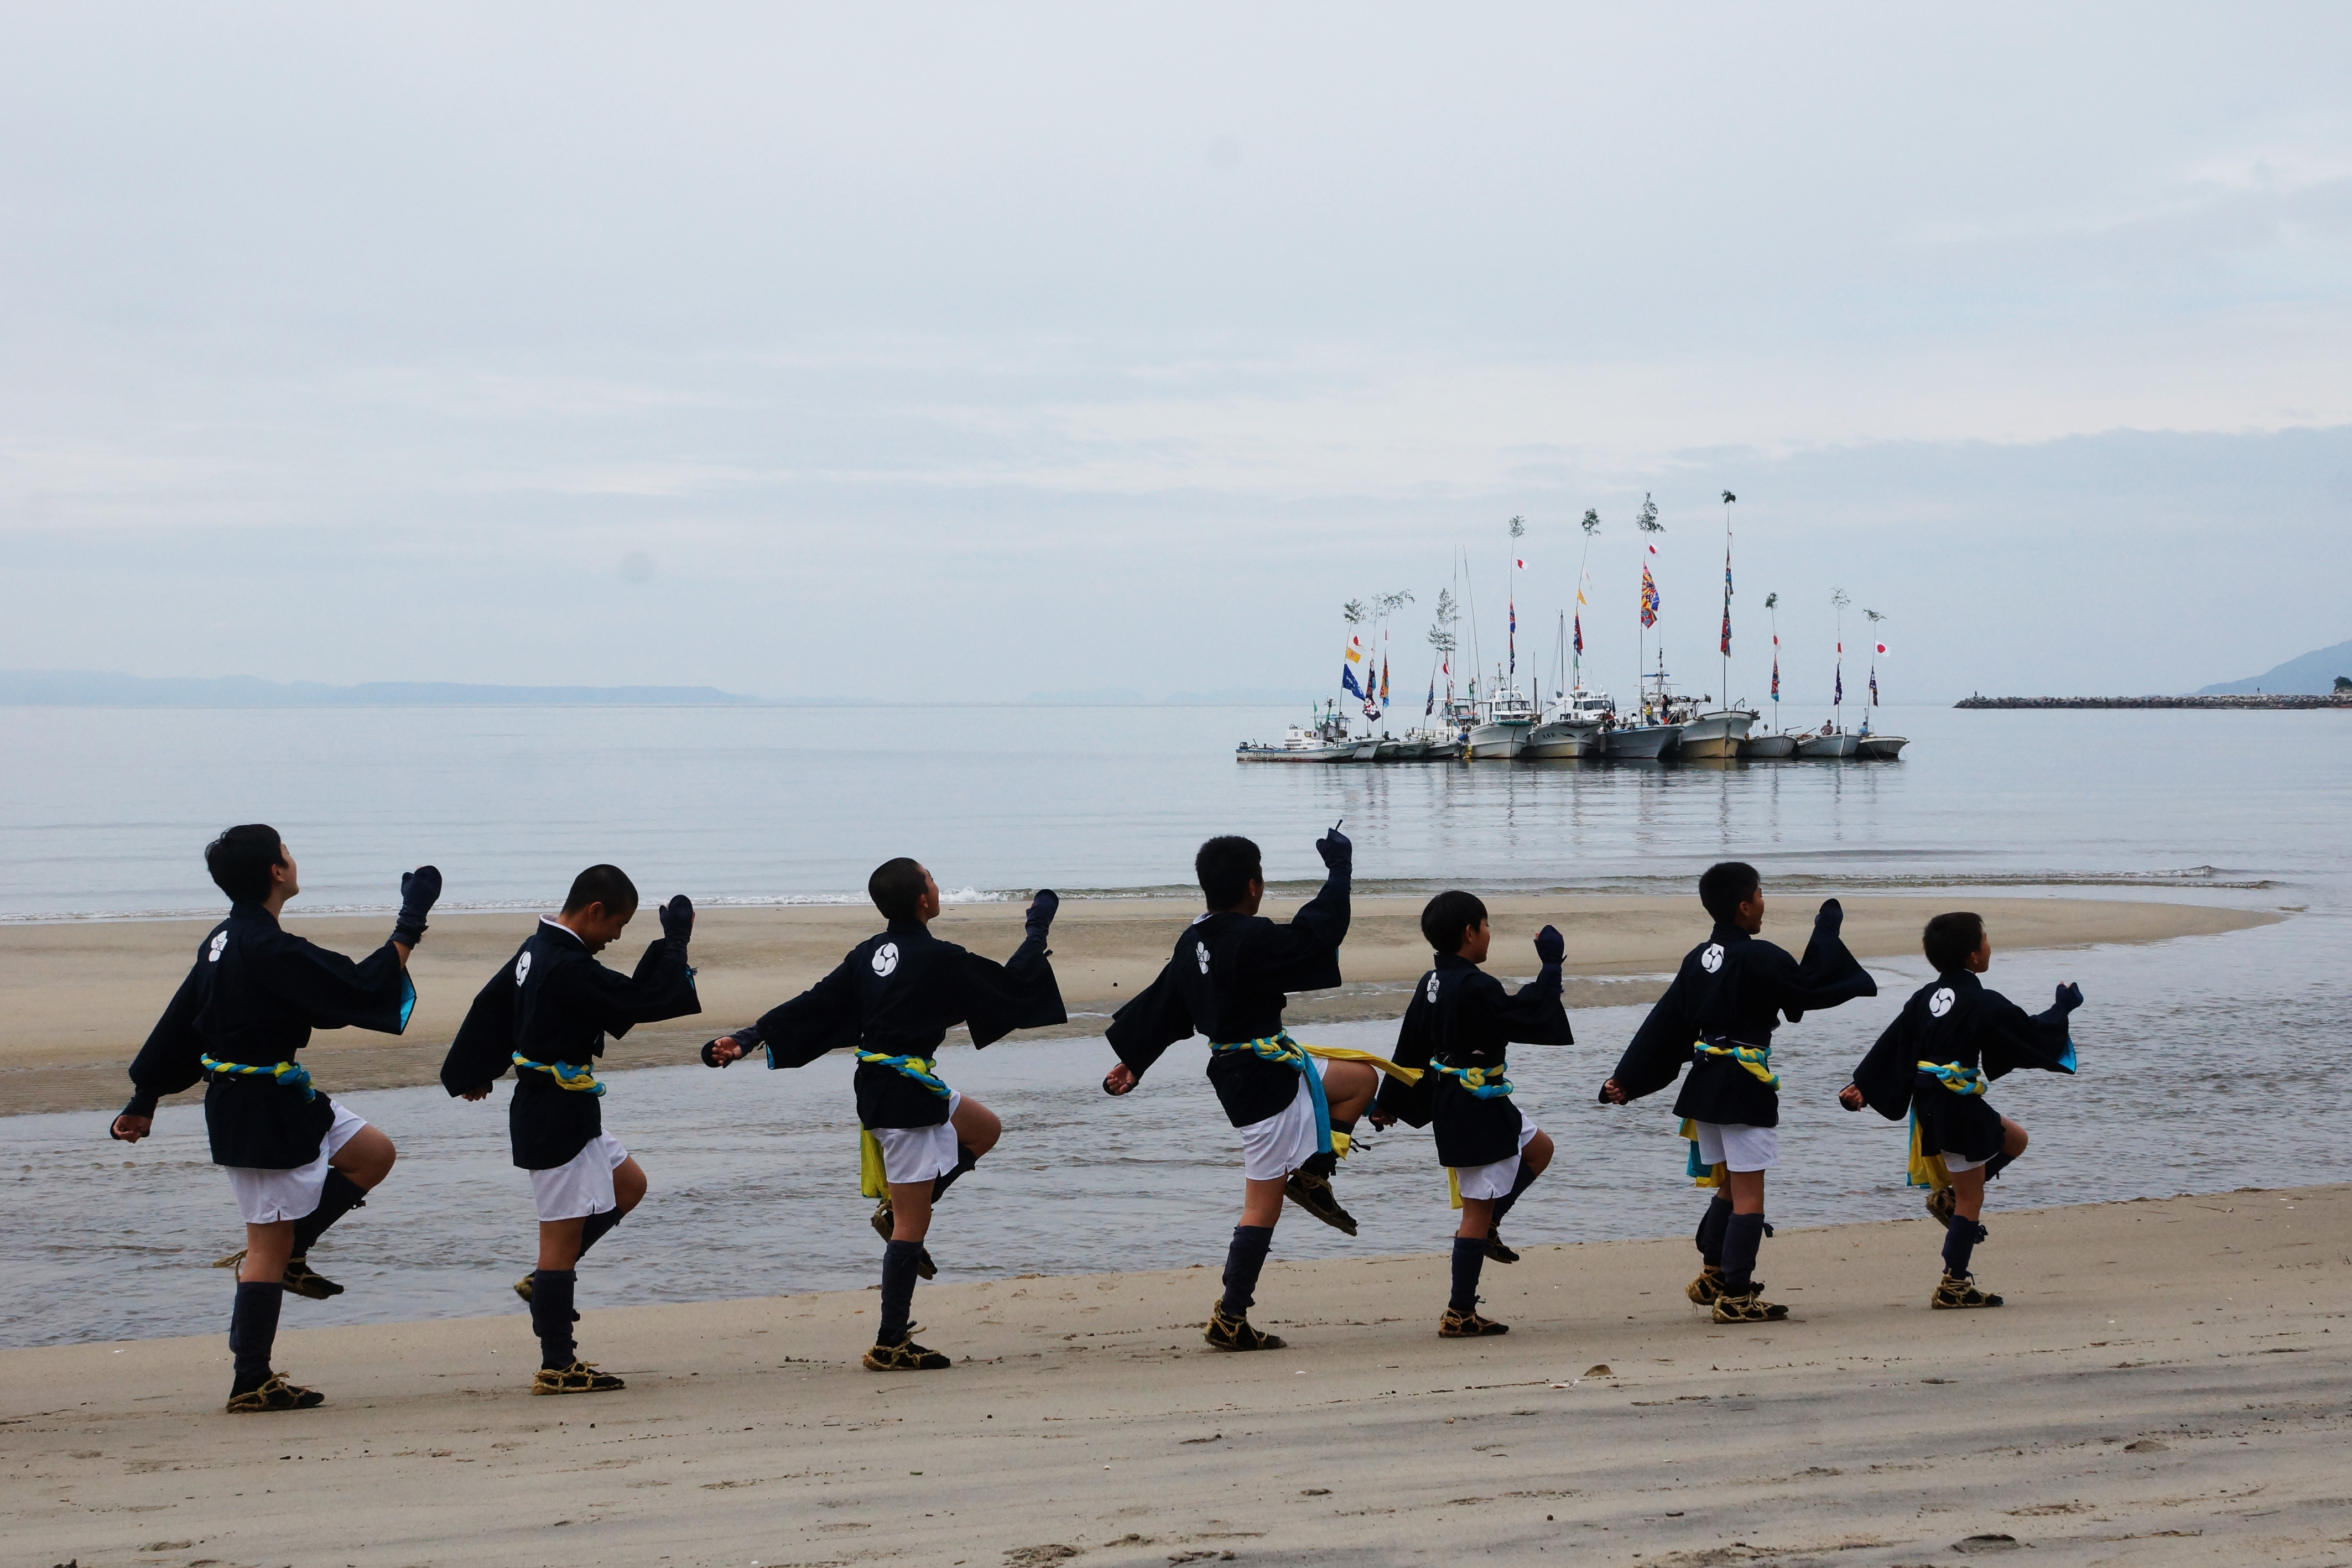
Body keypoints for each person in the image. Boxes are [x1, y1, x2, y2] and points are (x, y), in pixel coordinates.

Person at [111, 825, 440, 1413]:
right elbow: (361, 985)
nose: (293, 858)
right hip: (255, 1109)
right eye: (287, 851)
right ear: (276, 873)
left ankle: (294, 1250)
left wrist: (145, 1095)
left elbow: (186, 1015)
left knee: (373, 1153)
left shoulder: (227, 938)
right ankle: (251, 1380)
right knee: (263, 1245)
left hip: (283, 1093)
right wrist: (412, 916)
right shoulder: (265, 948)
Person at [703, 859, 1063, 1372]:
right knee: (914, 1226)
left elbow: (814, 1004)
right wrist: (1037, 928)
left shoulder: (869, 954)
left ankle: (897, 1212)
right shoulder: (940, 957)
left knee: (985, 1130)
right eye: (933, 879)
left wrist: (750, 1035)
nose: (937, 885)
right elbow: (1009, 986)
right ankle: (891, 1341)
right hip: (904, 1099)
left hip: (892, 1086)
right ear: (923, 900)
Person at [1105, 827, 1379, 1352]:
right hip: (1261, 1082)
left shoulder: (1195, 939)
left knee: (1361, 1078)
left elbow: (1167, 1002)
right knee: (1261, 1205)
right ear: (1254, 886)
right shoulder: (1249, 938)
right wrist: (1340, 872)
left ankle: (1315, 1175)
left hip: (1260, 1070)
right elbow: (1313, 935)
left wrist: (1133, 1061)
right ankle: (1230, 1317)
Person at [440, 865, 701, 1394]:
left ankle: (545, 1286)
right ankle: (558, 1362)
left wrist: (471, 1070)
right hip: (552, 1115)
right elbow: (637, 1003)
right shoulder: (565, 964)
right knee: (557, 1243)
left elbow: (492, 1007)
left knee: (629, 1186)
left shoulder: (538, 947)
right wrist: (674, 945)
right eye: (617, 926)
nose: (616, 938)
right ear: (594, 911)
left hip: (563, 1107)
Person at [1598, 862, 1876, 1325]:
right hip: (1743, 1083)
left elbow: (1667, 1021)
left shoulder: (1697, 958)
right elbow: (1808, 988)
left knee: (1730, 1185)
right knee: (1749, 1194)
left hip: (1704, 1085)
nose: (1764, 903)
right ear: (1745, 905)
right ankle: (1737, 1294)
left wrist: (1626, 1078)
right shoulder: (1761, 956)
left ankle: (1713, 1273)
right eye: (1762, 895)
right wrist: (1827, 931)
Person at [1840, 911, 2081, 1309]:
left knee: (2016, 1139)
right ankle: (1954, 1284)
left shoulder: (1923, 998)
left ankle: (1948, 1198)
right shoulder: (1981, 1000)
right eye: (1985, 940)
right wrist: (2063, 1009)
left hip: (1936, 1104)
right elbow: (2028, 1031)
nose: (1989, 946)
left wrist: (1866, 1084)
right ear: (1973, 955)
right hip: (1954, 1105)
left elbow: (1895, 1045)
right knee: (1973, 1198)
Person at [1370, 890, 1569, 1338]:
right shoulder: (1478, 986)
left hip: (1469, 1102)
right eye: (1486, 926)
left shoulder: (1433, 981)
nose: (1489, 934)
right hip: (1472, 1106)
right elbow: (1527, 1014)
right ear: (1469, 933)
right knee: (1474, 1214)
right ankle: (1460, 1312)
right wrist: (1552, 965)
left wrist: (1390, 1101)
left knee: (1540, 1149)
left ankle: (1491, 1226)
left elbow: (1411, 1044)